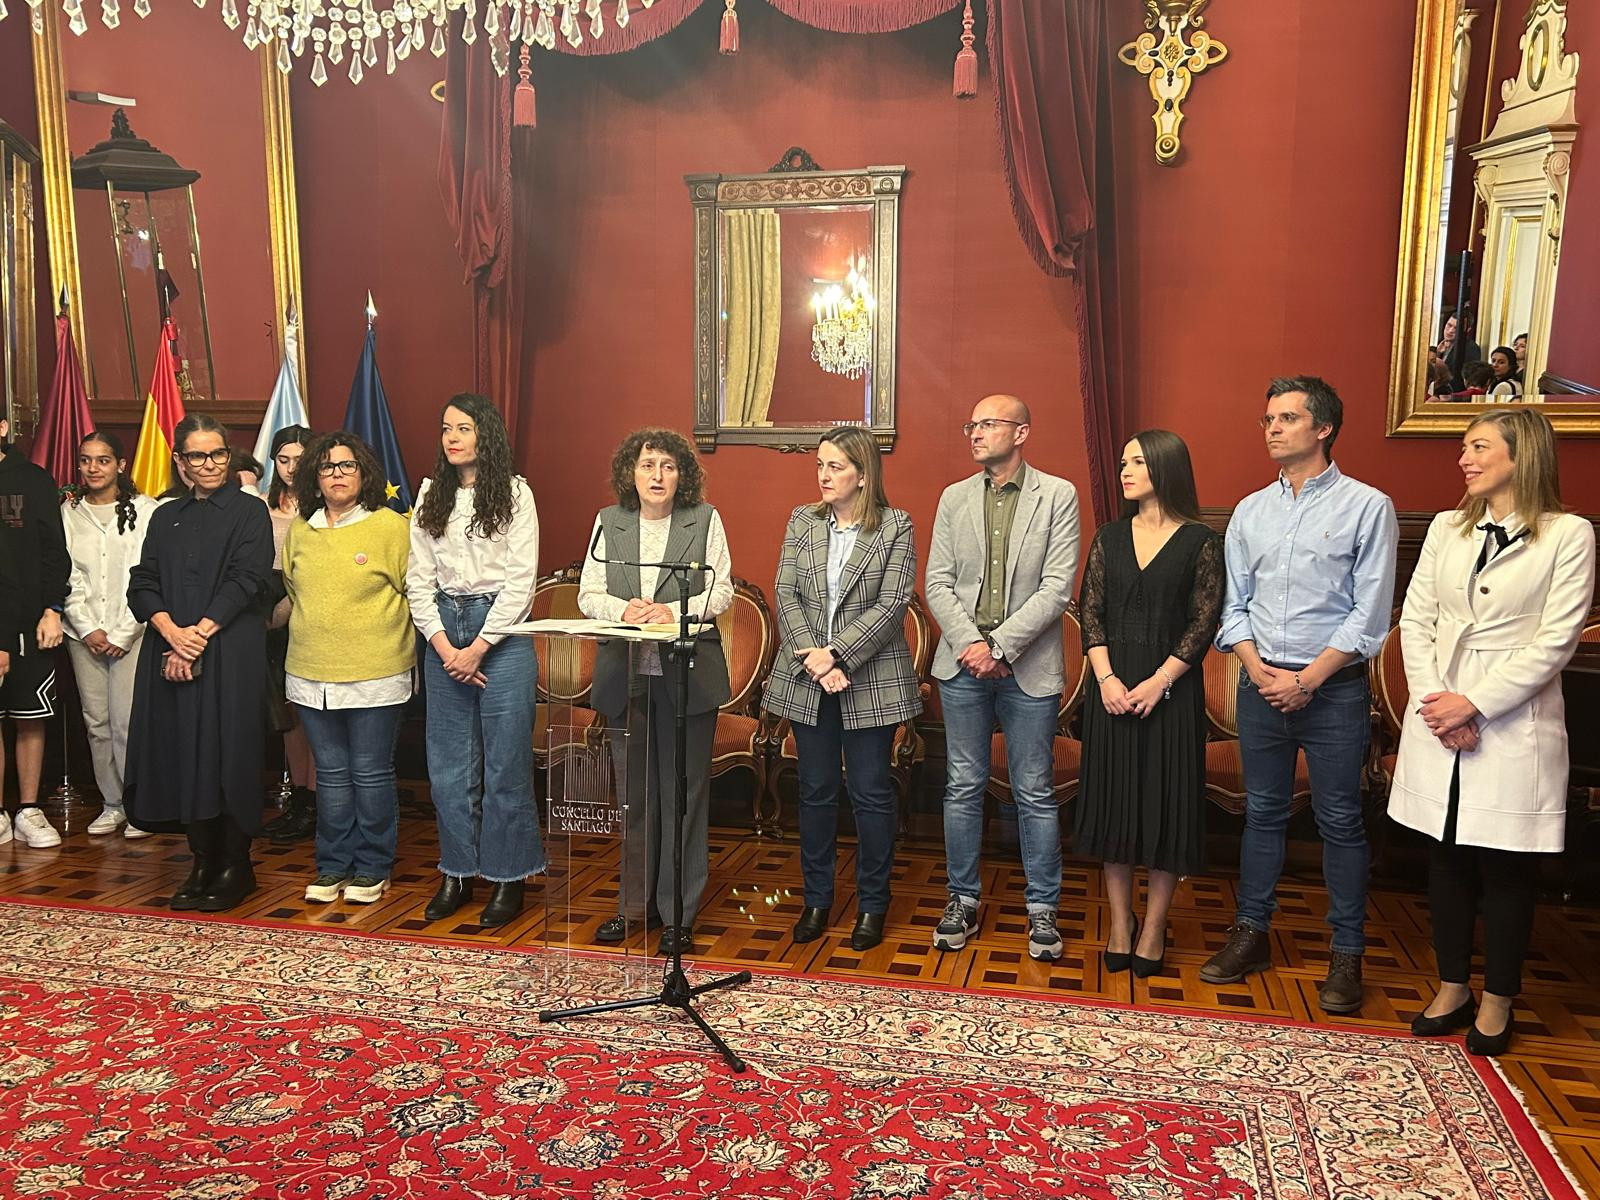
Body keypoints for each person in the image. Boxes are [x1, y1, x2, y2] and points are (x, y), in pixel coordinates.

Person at [1391, 408, 1594, 1057]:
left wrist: (1474, 703)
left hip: (1512, 723)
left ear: (1521, 455)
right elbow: (1415, 617)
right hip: (1438, 716)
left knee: (1505, 867)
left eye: (1478, 447)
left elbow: (1555, 641)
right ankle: (1453, 986)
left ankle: (1500, 998)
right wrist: (1435, 704)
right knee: (1446, 858)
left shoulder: (1568, 535)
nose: (1464, 458)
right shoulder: (1450, 528)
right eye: (1464, 446)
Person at [1203, 377, 1398, 1016]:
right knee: (1262, 812)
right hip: (1262, 685)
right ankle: (1251, 934)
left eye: (1287, 418)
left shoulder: (1368, 506)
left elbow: (1369, 616)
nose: (1272, 429)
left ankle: (1347, 953)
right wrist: (1259, 672)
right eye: (1267, 419)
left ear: (1324, 429)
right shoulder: (1250, 512)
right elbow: (1234, 607)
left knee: (1339, 819)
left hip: (1333, 690)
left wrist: (1308, 679)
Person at [924, 394, 1080, 962]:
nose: (976, 433)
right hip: (963, 666)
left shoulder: (1057, 495)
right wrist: (971, 644)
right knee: (962, 786)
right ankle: (961, 898)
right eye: (972, 424)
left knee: (1034, 791)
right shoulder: (953, 498)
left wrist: (999, 646)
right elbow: (937, 581)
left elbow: (1058, 587)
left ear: (1022, 432)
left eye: (988, 424)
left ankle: (1043, 908)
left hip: (1027, 667)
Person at [764, 426, 921, 953]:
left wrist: (838, 654)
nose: (824, 475)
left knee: (873, 794)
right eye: (820, 466)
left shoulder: (895, 525)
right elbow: (785, 593)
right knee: (814, 792)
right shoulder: (801, 521)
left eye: (835, 466)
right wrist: (815, 657)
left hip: (869, 677)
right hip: (809, 675)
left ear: (862, 473)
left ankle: (873, 905)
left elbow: (894, 602)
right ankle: (817, 899)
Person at [578, 428, 732, 956]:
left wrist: (675, 612)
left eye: (667, 466)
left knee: (682, 797)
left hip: (687, 676)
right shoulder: (608, 521)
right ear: (630, 473)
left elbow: (723, 589)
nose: (657, 476)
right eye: (647, 466)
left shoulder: (705, 520)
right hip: (628, 678)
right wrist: (624, 610)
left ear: (682, 475)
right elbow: (587, 593)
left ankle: (678, 913)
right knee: (635, 797)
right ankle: (633, 907)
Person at [1076, 431, 1224, 976]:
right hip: (1110, 691)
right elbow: (1090, 612)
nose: (1124, 471)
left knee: (1165, 811)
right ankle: (1120, 922)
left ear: (1166, 467)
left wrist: (1160, 681)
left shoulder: (1200, 542)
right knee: (1115, 810)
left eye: (1136, 461)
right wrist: (1108, 679)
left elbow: (1203, 622)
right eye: (1122, 462)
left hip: (1172, 694)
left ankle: (1156, 924)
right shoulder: (1109, 537)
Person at [124, 414, 274, 911]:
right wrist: (171, 633)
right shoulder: (165, 516)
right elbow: (142, 582)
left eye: (217, 454)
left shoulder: (250, 512)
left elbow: (246, 580)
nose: (208, 464)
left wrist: (198, 637)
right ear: (180, 461)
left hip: (229, 651)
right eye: (197, 455)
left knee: (227, 751)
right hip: (170, 652)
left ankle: (236, 864)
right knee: (182, 750)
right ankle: (202, 859)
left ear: (229, 457)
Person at [406, 393, 542, 928]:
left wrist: (478, 648)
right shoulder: (429, 496)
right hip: (444, 631)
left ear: (486, 434)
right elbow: (418, 580)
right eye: (446, 429)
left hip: (501, 636)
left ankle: (508, 879)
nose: (452, 437)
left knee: (505, 768)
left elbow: (520, 582)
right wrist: (444, 649)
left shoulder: (514, 494)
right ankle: (457, 872)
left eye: (464, 428)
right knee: (447, 770)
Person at [284, 432, 415, 905]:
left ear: (364, 474)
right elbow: (296, 593)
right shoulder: (301, 528)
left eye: (347, 465)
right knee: (332, 773)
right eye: (327, 467)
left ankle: (372, 867)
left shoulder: (389, 527)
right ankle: (333, 865)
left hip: (376, 671)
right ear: (313, 479)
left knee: (370, 771)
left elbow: (412, 592)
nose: (337, 474)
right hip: (310, 669)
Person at [62, 431, 158, 839]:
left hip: (132, 634)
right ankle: (112, 803)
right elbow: (66, 576)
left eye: (102, 460)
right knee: (96, 721)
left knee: (128, 722)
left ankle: (141, 806)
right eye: (86, 460)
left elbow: (148, 575)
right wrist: (88, 629)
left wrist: (121, 632)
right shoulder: (68, 513)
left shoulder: (147, 510)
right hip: (83, 634)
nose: (93, 468)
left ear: (120, 465)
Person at [0, 415, 70, 848]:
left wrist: (53, 608)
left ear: (3, 427)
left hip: (30, 622)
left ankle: (28, 809)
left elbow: (53, 552)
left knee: (30, 719)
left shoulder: (32, 480)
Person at [259, 425, 320, 844]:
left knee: (317, 714)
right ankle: (297, 798)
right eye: (283, 460)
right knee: (289, 715)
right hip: (270, 613)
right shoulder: (262, 508)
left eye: (300, 459)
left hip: (312, 612)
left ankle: (319, 801)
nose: (291, 468)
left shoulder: (322, 507)